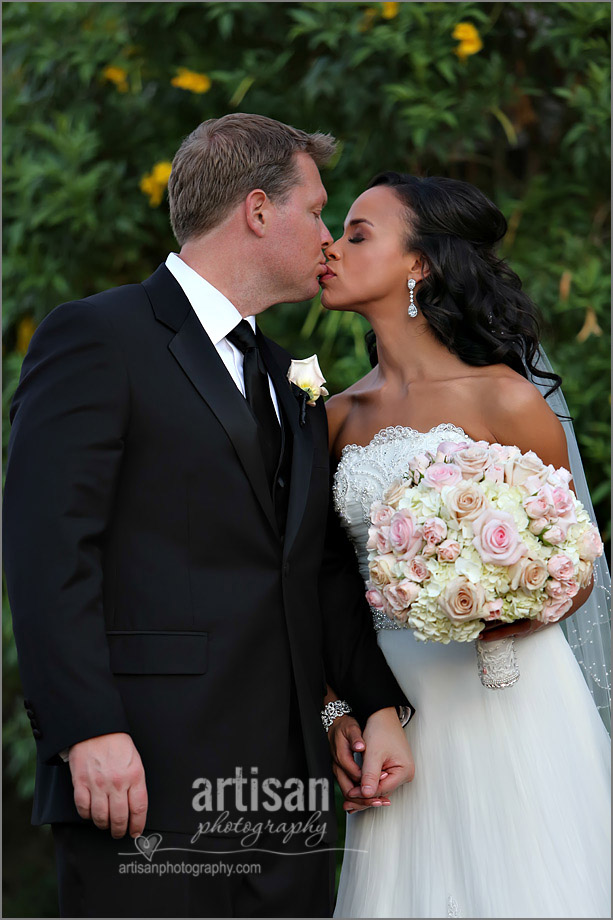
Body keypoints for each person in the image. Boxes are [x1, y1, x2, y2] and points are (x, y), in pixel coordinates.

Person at [2, 116, 416, 919]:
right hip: (143, 770)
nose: (327, 237)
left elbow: (313, 567)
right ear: (259, 211)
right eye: (317, 210)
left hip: (286, 788)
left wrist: (367, 705)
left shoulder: (284, 373)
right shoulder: (98, 336)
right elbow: (48, 548)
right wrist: (85, 729)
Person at [320, 172, 611, 918]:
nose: (331, 247)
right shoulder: (335, 417)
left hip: (510, 692)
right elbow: (315, 581)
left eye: (357, 234)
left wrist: (507, 601)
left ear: (418, 265)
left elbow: (574, 560)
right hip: (400, 706)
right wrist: (336, 708)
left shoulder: (502, 397)